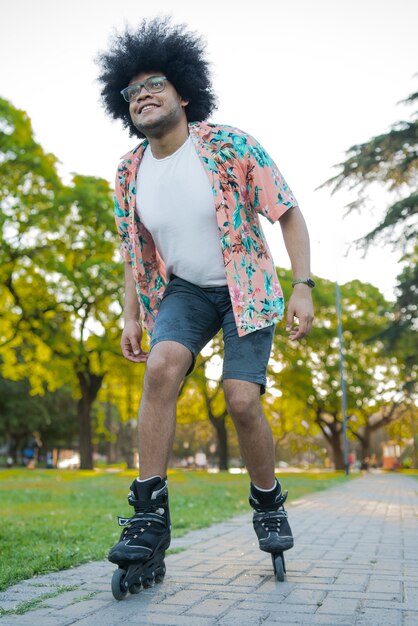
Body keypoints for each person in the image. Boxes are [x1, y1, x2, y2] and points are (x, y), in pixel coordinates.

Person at [97, 17, 314, 579]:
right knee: (162, 367)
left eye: (155, 85)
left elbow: (288, 212)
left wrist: (303, 287)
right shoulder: (127, 173)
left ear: (184, 94)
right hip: (185, 291)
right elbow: (132, 251)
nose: (143, 94)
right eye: (132, 90)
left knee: (241, 399)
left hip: (245, 286)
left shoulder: (228, 145)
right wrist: (131, 313)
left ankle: (267, 503)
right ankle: (148, 516)